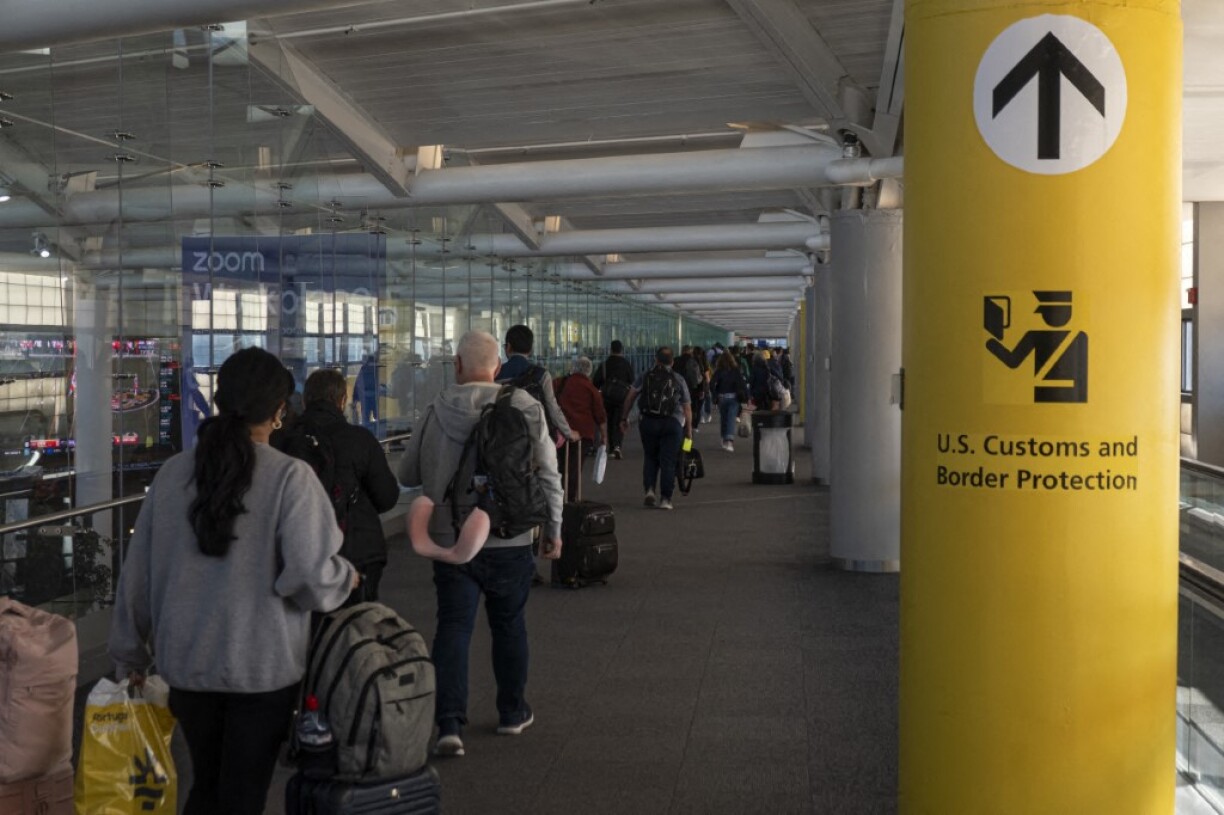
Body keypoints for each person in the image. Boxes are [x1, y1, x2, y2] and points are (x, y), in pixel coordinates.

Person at [109, 347, 357, 815]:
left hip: (186, 665)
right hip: (260, 669)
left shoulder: (172, 474)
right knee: (242, 794)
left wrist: (128, 654)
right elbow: (309, 578)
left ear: (218, 399)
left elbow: (137, 573)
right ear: (280, 411)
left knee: (207, 786)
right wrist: (345, 576)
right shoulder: (290, 478)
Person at [397, 330, 564, 759]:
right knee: (509, 624)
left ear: (456, 366)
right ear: (497, 366)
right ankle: (512, 712)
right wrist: (554, 530)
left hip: (451, 541)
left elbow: (408, 474)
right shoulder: (525, 406)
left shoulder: (435, 410)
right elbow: (548, 475)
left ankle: (449, 724)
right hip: (509, 537)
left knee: (454, 626)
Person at [278, 368, 401, 604]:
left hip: (300, 550)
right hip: (357, 549)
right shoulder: (360, 439)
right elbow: (387, 497)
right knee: (357, 626)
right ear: (342, 400)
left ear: (305, 400)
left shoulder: (285, 440)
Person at [620, 347, 692, 511]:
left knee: (650, 456)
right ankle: (666, 499)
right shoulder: (678, 378)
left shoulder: (645, 376)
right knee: (668, 461)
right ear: (672, 362)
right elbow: (687, 408)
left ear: (656, 360)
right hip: (672, 424)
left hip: (648, 422)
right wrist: (688, 431)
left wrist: (624, 418)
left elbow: (630, 396)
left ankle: (650, 490)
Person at [496, 324, 579, 446]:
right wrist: (568, 432)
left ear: (508, 347)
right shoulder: (542, 375)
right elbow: (552, 408)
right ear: (530, 350)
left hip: (503, 438)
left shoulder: (496, 374)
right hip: (535, 439)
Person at [553, 356, 608, 496]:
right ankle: (571, 497)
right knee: (574, 468)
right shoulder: (591, 388)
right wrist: (604, 436)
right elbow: (600, 415)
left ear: (574, 367)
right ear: (589, 371)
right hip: (582, 434)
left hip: (559, 433)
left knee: (559, 466)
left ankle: (557, 496)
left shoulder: (560, 382)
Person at [592, 339, 634, 459]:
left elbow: (596, 381)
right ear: (622, 350)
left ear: (610, 349)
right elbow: (632, 381)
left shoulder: (605, 364)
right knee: (620, 420)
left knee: (609, 421)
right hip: (622, 398)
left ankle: (611, 447)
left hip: (607, 397)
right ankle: (617, 446)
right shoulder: (626, 364)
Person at [710, 350, 747, 452]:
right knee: (731, 418)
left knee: (724, 418)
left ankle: (723, 438)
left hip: (722, 398)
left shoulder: (718, 371)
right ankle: (729, 441)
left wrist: (715, 394)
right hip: (734, 398)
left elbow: (712, 383)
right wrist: (746, 398)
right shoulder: (736, 371)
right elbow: (742, 384)